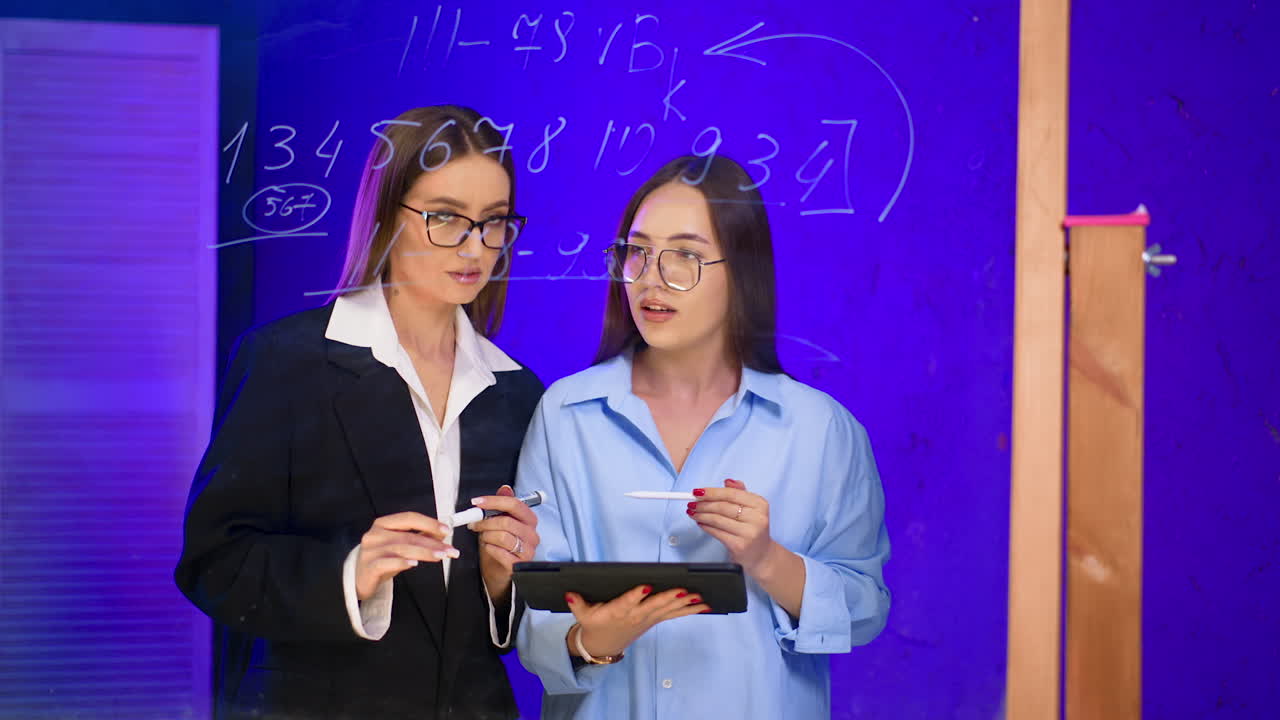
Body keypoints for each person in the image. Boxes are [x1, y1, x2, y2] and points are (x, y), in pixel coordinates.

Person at [175, 105, 544, 720]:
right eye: (445, 218)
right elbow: (215, 561)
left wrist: (506, 582)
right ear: (385, 215)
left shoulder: (517, 391)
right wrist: (352, 570)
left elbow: (498, 622)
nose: (475, 246)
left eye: (495, 222)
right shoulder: (285, 361)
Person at [514, 155, 891, 719]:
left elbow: (866, 609)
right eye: (636, 252)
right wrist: (589, 640)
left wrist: (766, 558)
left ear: (741, 271)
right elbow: (529, 611)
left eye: (685, 256)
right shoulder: (565, 414)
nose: (649, 279)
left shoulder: (820, 431)